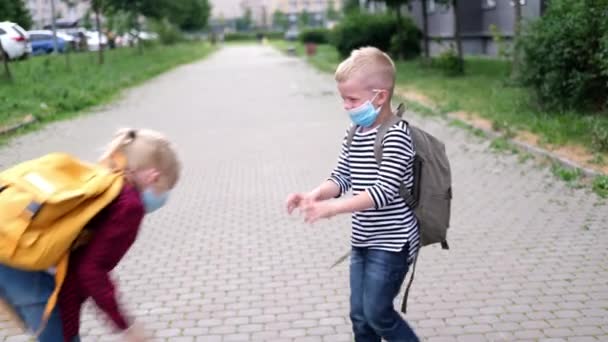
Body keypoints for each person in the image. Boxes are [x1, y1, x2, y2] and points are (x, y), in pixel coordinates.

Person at [286, 47, 420, 342]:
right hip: (363, 239)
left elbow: (383, 191)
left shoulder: (397, 135)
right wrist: (314, 196)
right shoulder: (355, 133)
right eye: (343, 99)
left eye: (352, 99)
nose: (346, 106)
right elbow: (342, 176)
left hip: (392, 242)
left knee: (377, 313)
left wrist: (334, 210)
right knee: (359, 316)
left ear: (380, 96)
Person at [0, 128, 181, 342]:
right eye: (166, 188)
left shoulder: (101, 179)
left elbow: (76, 269)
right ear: (154, 177)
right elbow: (91, 271)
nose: (163, 197)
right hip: (16, 260)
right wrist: (126, 325)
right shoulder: (129, 205)